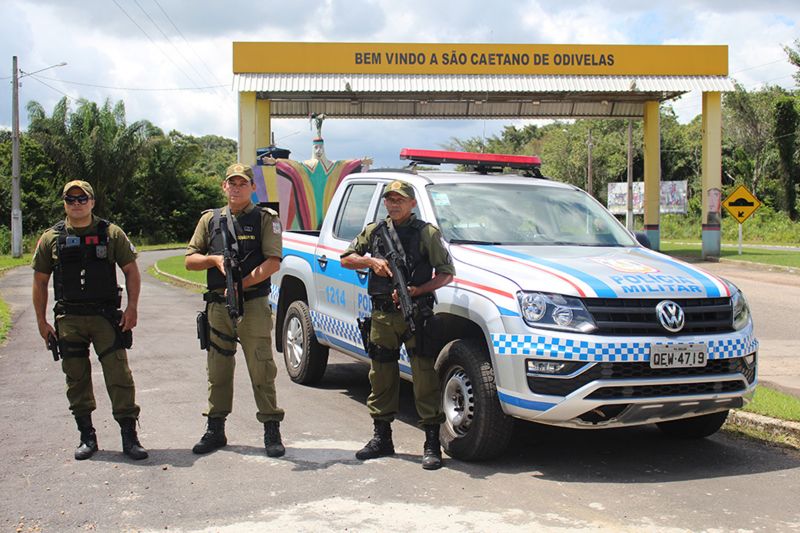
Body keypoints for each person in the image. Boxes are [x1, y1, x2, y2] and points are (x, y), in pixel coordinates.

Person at [341, 180, 455, 470]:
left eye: (399, 200)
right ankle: (382, 437)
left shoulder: (426, 233)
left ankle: (431, 443)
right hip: (382, 315)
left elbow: (446, 274)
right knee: (380, 375)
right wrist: (371, 263)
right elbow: (346, 258)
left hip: (416, 313)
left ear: (412, 203)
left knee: (424, 376)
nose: (394, 204)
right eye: (389, 199)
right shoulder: (375, 231)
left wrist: (418, 290)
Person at [32, 180, 148, 461]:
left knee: (119, 376)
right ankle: (87, 436)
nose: (76, 204)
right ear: (64, 203)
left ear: (92, 202)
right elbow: (40, 280)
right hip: (69, 318)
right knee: (76, 378)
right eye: (70, 200)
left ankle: (129, 437)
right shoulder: (51, 238)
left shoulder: (111, 233)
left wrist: (132, 308)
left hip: (105, 317)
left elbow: (131, 270)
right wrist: (41, 322)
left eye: (82, 199)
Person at [185, 163, 286, 457]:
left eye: (243, 183)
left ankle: (271, 428)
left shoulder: (266, 218)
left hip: (253, 304)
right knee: (218, 368)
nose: (237, 188)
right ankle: (215, 428)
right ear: (224, 186)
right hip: (217, 305)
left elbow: (273, 262)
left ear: (253, 187)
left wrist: (241, 283)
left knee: (261, 367)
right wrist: (214, 261)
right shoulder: (210, 220)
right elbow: (191, 259)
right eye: (232, 183)